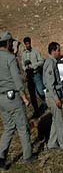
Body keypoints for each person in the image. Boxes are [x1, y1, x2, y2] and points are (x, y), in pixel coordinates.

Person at [0, 31, 36, 170]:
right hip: (12, 97)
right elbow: (17, 79)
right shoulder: (10, 58)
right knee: (23, 127)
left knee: (8, 128)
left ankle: (1, 158)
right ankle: (28, 156)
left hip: (1, 99)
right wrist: (24, 96)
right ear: (8, 43)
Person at [43, 42, 63, 150]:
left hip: (53, 95)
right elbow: (50, 84)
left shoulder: (52, 62)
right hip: (53, 96)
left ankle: (52, 143)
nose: (60, 52)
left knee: (55, 120)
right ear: (53, 51)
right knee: (59, 123)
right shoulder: (50, 63)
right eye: (58, 50)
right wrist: (56, 98)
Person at [21, 37, 47, 118]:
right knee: (32, 95)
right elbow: (22, 64)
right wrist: (25, 68)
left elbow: (41, 61)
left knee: (40, 92)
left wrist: (33, 66)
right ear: (25, 44)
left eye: (29, 43)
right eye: (26, 44)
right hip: (29, 77)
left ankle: (45, 104)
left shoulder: (35, 52)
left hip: (36, 75)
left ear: (30, 43)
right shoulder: (24, 54)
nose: (28, 45)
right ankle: (36, 110)